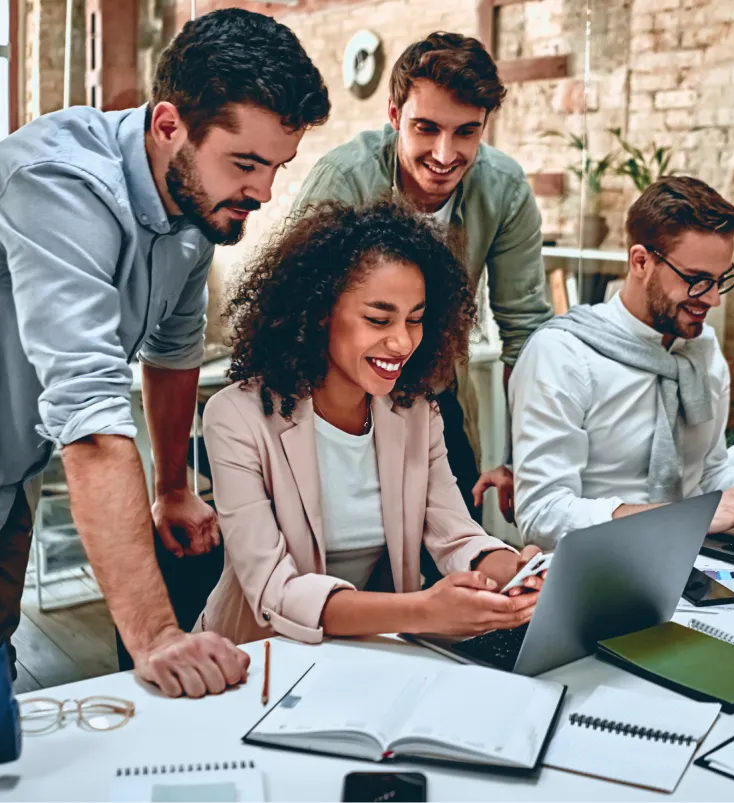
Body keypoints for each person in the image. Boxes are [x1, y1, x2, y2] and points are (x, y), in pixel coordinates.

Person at [0, 9, 330, 696]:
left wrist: (173, 486)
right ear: (168, 124)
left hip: (13, 467)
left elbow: (173, 349)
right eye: (246, 163)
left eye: (277, 166)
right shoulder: (60, 184)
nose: (263, 194)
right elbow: (89, 418)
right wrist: (156, 637)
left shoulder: (195, 207)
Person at [196, 199, 543, 645]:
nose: (402, 342)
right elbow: (275, 592)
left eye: (415, 320)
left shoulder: (417, 412)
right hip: (254, 659)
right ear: (320, 311)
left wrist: (517, 572)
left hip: (370, 654)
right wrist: (423, 611)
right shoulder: (237, 417)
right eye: (378, 319)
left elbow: (456, 536)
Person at [292, 32, 552, 533]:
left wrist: (524, 461)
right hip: (336, 404)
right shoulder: (343, 181)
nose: (444, 153)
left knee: (460, 553)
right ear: (394, 117)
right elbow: (297, 317)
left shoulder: (504, 189)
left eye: (466, 133)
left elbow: (527, 332)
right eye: (426, 128)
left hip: (434, 396)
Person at [509, 176, 734, 549]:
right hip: (600, 569)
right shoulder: (563, 355)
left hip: (700, 561)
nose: (712, 300)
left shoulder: (702, 348)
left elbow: (709, 473)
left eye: (720, 281)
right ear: (640, 261)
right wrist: (686, 517)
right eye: (696, 280)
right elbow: (542, 516)